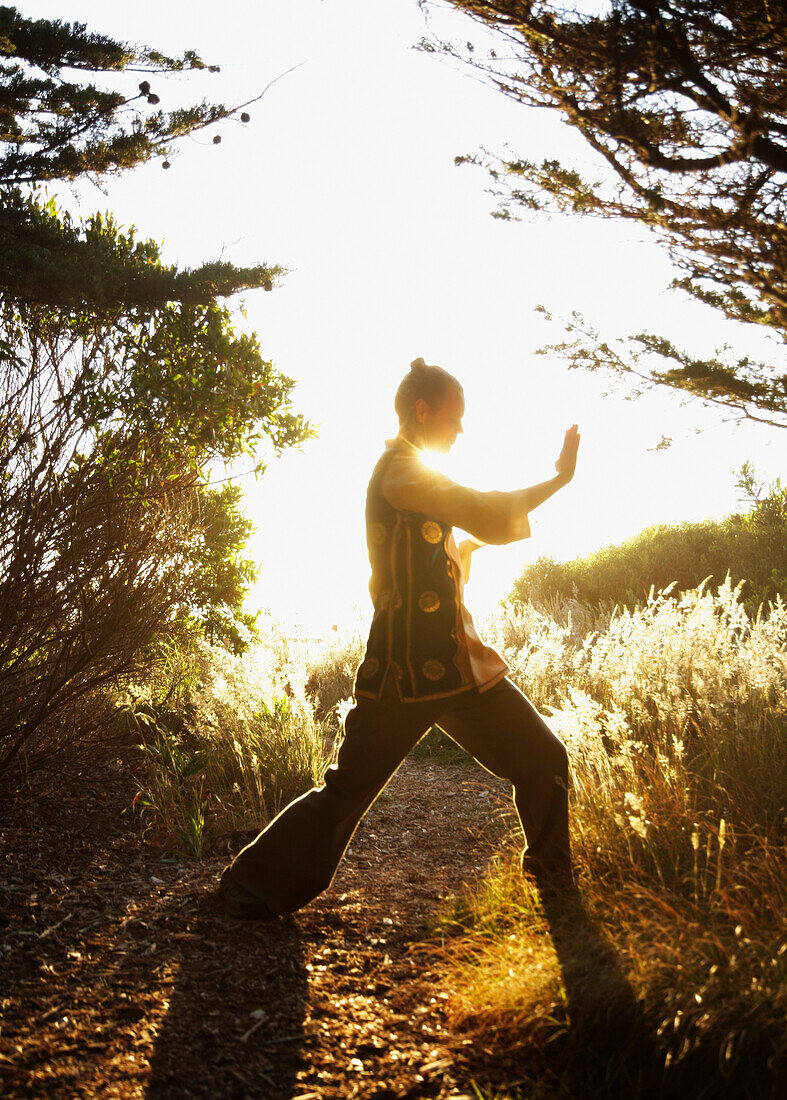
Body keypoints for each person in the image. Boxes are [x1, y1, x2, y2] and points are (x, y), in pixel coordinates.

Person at [219, 358, 580, 919]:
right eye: (455, 418)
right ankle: (250, 884)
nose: (461, 430)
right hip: (400, 676)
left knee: (543, 757)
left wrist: (467, 551)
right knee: (346, 792)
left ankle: (556, 889)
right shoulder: (401, 473)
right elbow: (481, 510)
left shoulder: (418, 478)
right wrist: (557, 481)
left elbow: (448, 549)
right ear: (422, 410)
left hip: (462, 672)